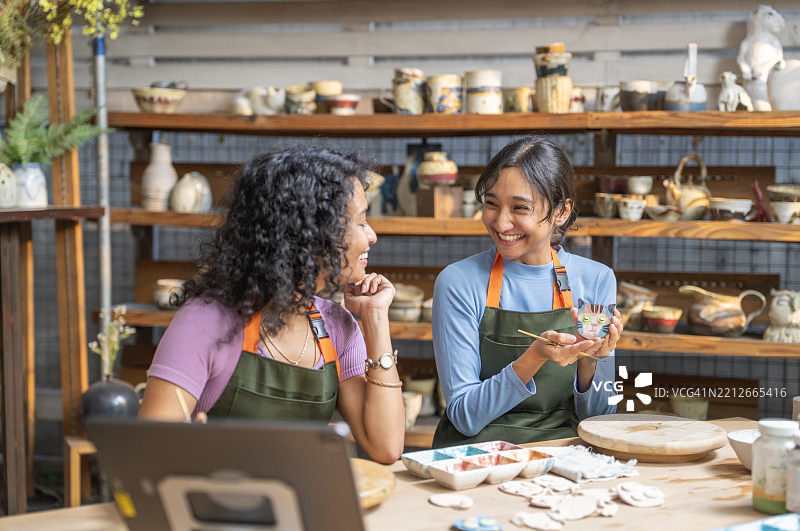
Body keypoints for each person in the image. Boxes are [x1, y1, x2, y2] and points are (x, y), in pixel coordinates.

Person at [138, 146, 405, 464]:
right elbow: (148, 455)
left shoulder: (336, 326)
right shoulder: (205, 322)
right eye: (360, 222)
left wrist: (375, 319)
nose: (372, 236)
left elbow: (386, 447)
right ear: (310, 235)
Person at [431, 137, 622, 448]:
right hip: (479, 456)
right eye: (491, 203)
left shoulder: (595, 281)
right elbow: (464, 417)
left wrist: (590, 359)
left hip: (565, 453)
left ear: (561, 212)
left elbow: (599, 418)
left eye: (520, 207)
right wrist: (535, 356)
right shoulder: (458, 283)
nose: (501, 222)